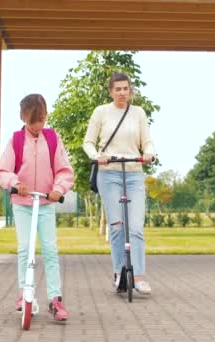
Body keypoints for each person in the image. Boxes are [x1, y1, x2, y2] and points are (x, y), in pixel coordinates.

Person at [0, 94, 74, 321]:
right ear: (23, 118)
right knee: (25, 249)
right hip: (23, 204)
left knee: (50, 249)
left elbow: (64, 169)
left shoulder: (52, 138)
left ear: (46, 116)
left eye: (41, 120)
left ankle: (55, 298)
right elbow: (2, 170)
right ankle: (23, 294)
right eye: (33, 121)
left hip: (46, 203)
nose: (38, 126)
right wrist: (15, 183)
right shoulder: (16, 141)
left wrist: (59, 188)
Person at [83, 72, 156, 295]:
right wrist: (97, 156)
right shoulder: (101, 112)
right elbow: (88, 142)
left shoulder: (138, 113)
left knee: (135, 227)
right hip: (109, 173)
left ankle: (140, 277)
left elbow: (147, 141)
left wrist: (150, 153)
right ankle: (118, 273)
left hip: (133, 173)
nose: (122, 93)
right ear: (110, 91)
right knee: (116, 227)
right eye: (118, 89)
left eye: (126, 88)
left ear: (130, 90)